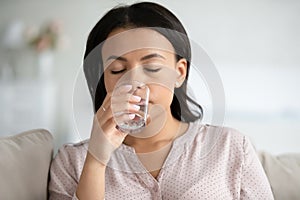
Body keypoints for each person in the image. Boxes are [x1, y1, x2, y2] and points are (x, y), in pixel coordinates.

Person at [48, 2, 274, 199]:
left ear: (179, 73)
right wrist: (96, 160)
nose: (134, 82)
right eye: (117, 70)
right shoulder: (72, 162)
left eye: (152, 67)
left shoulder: (231, 147)